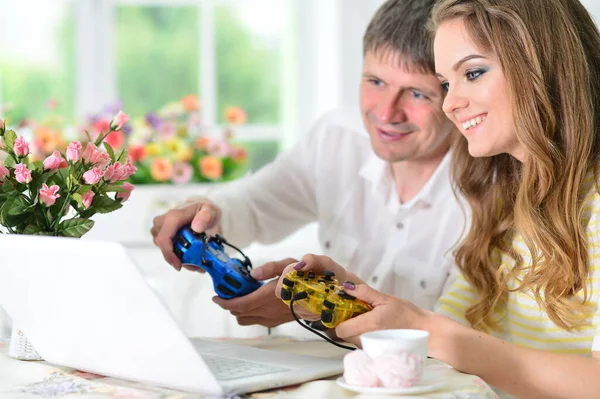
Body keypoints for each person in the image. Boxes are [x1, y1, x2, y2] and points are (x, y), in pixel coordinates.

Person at [274, 0, 600, 397]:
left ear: (542, 66)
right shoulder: (511, 195)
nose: (449, 104)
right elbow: (449, 336)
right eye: (446, 84)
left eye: (473, 73)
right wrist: (360, 306)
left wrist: (429, 330)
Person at [152, 0, 463, 330]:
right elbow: (255, 204)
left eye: (417, 93)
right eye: (375, 81)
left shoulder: (491, 190)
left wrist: (316, 305)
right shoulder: (337, 137)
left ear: (456, 93)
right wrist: (204, 214)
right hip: (320, 367)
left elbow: (455, 342)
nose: (386, 114)